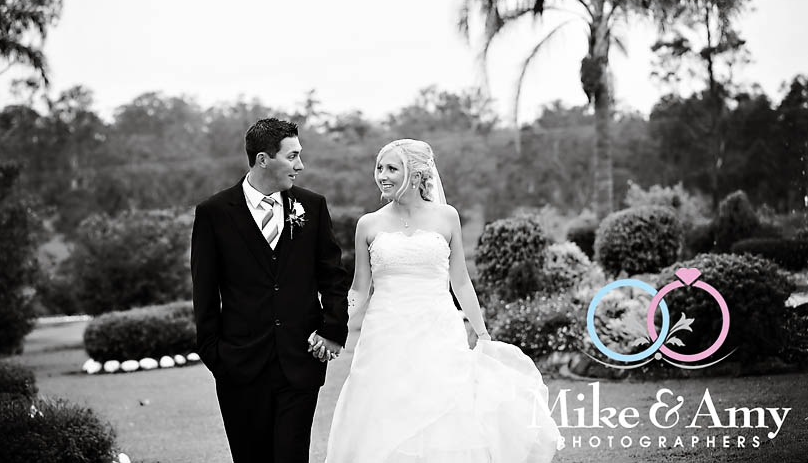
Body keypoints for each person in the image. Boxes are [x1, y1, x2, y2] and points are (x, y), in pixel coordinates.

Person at [322, 139, 562, 463]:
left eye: (392, 168)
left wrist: (482, 331)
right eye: (379, 168)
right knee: (384, 409)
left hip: (438, 329)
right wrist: (332, 324)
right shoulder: (368, 224)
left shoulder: (447, 217)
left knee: (444, 405)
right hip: (384, 335)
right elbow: (360, 290)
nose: (382, 176)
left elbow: (460, 280)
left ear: (417, 174)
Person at [191, 118, 349, 463]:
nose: (300, 165)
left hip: (300, 361)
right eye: (292, 156)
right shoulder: (213, 213)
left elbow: (333, 277)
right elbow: (204, 292)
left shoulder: (312, 206)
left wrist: (333, 330)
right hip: (240, 366)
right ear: (263, 159)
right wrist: (215, 356)